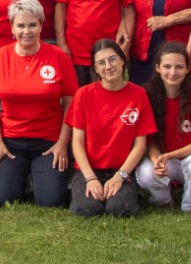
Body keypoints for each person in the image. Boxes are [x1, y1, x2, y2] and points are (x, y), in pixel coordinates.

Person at [0, 0, 78, 207]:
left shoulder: (57, 56)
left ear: (40, 25)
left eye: (32, 25)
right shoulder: (1, 56)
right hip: (11, 142)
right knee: (2, 198)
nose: (26, 31)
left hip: (48, 142)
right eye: (20, 25)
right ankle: (23, 177)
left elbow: (71, 102)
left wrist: (62, 143)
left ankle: (38, 177)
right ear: (12, 27)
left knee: (51, 201)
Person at [66, 39, 153, 218]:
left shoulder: (139, 94)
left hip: (121, 169)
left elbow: (140, 145)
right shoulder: (83, 95)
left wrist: (120, 176)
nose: (108, 66)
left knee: (120, 209)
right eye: (101, 63)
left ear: (123, 60)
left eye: (112, 59)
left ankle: (126, 192)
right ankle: (82, 187)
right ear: (95, 69)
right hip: (89, 168)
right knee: (87, 209)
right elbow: (77, 144)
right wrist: (90, 178)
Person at [134, 43, 191, 212]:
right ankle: (163, 199)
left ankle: (190, 200)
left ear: (187, 69)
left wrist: (169, 155)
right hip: (165, 159)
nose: (172, 72)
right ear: (157, 68)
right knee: (147, 172)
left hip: (189, 159)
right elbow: (151, 141)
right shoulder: (147, 94)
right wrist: (157, 161)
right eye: (167, 67)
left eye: (179, 67)